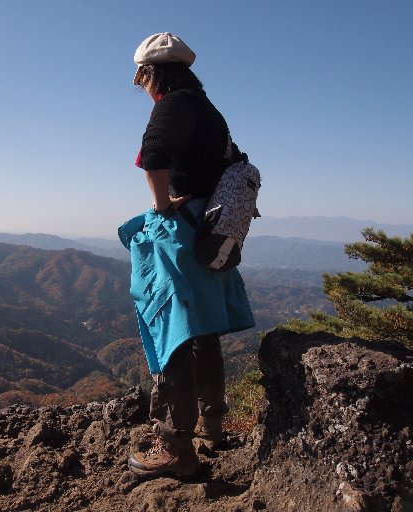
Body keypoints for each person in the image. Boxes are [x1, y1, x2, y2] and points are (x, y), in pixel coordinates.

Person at [118, 32, 255, 478]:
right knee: (202, 331)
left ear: (150, 72)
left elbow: (153, 155)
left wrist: (160, 206)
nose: (140, 86)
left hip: (183, 236)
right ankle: (211, 424)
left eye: (139, 77)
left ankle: (176, 447)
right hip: (211, 233)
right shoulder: (207, 108)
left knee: (172, 335)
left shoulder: (173, 104)